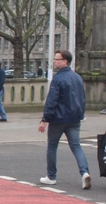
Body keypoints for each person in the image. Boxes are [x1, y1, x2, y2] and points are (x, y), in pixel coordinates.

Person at [38, 49, 91, 189]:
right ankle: (84, 172)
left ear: (64, 61)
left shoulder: (58, 79)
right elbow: (82, 98)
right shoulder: (77, 77)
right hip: (74, 118)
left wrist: (45, 120)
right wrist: (81, 114)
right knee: (76, 146)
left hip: (59, 118)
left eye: (57, 59)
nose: (54, 61)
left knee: (52, 146)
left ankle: (51, 176)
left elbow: (52, 101)